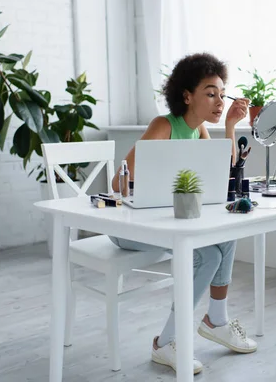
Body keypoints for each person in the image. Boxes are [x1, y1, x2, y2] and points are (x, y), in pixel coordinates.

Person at [109, 52, 257, 374]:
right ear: (187, 96)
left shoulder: (199, 130)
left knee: (225, 234)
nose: (219, 101)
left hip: (168, 223)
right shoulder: (164, 126)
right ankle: (166, 343)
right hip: (132, 227)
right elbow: (118, 182)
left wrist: (231, 126)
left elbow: (225, 171)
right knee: (208, 256)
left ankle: (216, 319)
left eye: (221, 93)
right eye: (209, 93)